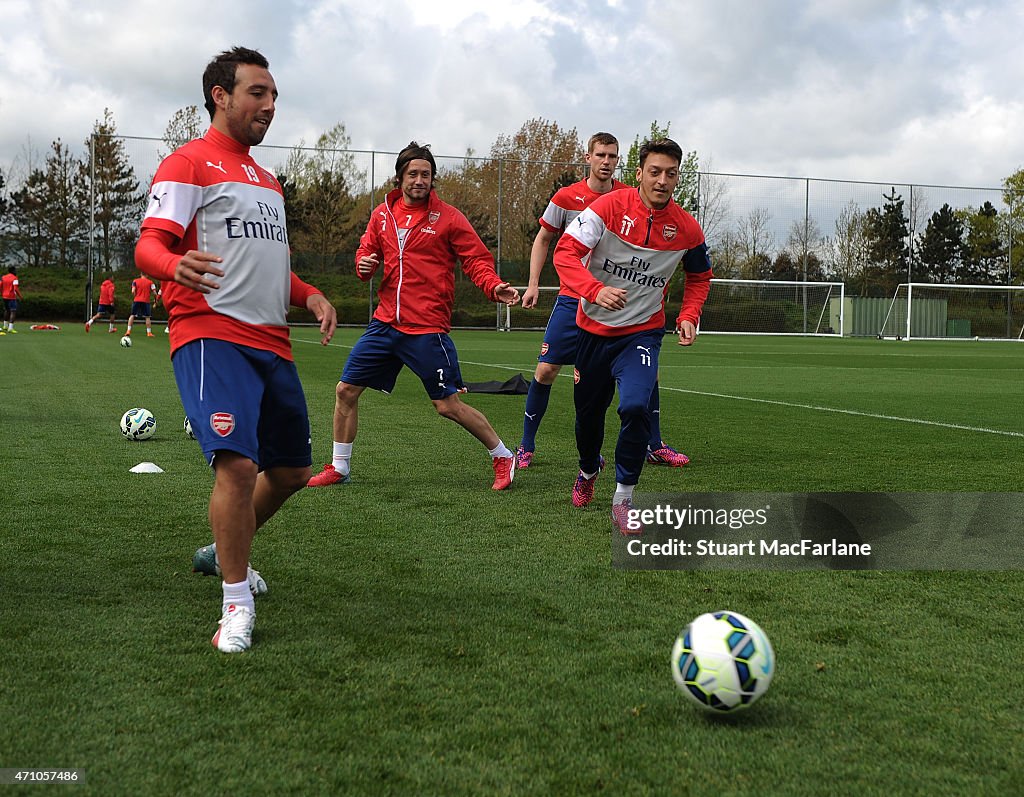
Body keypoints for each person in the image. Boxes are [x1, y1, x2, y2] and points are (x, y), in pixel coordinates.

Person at [134, 46, 338, 653]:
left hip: (272, 343)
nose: (270, 106)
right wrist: (174, 263)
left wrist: (310, 296)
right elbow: (148, 248)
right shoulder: (188, 163)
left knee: (292, 472)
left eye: (274, 95)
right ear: (220, 95)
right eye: (258, 93)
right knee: (238, 464)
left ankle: (221, 550)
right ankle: (235, 600)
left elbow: (270, 266)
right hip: (210, 334)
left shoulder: (267, 180)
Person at [307, 142, 520, 491]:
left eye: (426, 174)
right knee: (345, 390)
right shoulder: (381, 215)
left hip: (426, 328)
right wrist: (363, 266)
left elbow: (476, 260)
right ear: (400, 177)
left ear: (433, 179)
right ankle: (340, 466)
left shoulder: (449, 217)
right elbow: (366, 255)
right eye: (413, 174)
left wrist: (494, 286)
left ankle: (502, 455)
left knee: (447, 405)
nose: (420, 180)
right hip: (385, 323)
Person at [552, 138, 713, 533]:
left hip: (642, 334)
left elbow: (700, 276)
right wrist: (593, 290)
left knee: (636, 407)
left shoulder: (687, 228)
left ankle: (624, 498)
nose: (662, 181)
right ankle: (589, 469)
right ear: (638, 173)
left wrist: (689, 314)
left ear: (678, 177)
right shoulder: (605, 208)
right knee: (588, 418)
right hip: (591, 332)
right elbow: (565, 253)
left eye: (670, 174)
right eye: (654, 172)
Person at [516, 133, 690, 470]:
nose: (607, 161)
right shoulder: (567, 197)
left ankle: (654, 444)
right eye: (601, 155)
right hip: (574, 298)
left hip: (622, 303)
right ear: (589, 158)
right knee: (547, 369)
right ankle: (525, 446)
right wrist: (533, 284)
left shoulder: (630, 195)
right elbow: (544, 240)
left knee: (648, 374)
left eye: (612, 155)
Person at [125, 272, 159, 337]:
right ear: (147, 275)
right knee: (147, 317)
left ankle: (128, 331)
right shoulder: (150, 282)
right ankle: (149, 332)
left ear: (141, 274)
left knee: (132, 315)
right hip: (146, 301)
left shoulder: (135, 281)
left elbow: (133, 291)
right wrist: (155, 301)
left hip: (137, 300)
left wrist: (136, 295)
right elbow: (155, 293)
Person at [1, 266, 23, 334]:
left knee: (6, 310)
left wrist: (2, 293)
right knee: (13, 311)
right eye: (15, 270)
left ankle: (5, 326)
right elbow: (15, 289)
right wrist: (20, 296)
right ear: (13, 271)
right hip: (12, 297)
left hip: (4, 296)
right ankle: (10, 328)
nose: (16, 271)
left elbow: (0, 285)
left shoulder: (3, 277)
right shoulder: (15, 278)